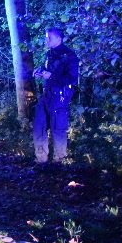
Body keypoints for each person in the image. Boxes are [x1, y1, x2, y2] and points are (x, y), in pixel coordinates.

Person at [33, 26, 79, 164]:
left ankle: (60, 160)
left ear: (59, 38)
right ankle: (41, 159)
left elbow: (72, 79)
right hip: (47, 94)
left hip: (60, 96)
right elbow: (49, 71)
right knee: (39, 125)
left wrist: (51, 76)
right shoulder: (50, 54)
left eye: (49, 37)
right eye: (46, 37)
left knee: (58, 128)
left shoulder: (69, 55)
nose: (46, 40)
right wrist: (40, 71)